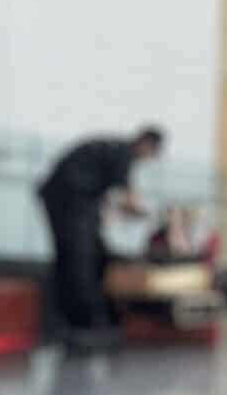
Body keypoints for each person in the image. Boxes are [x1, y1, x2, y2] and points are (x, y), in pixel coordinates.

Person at [37, 125, 164, 346]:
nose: (148, 159)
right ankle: (81, 323)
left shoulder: (111, 151)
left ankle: (70, 320)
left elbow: (105, 196)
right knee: (79, 258)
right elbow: (128, 199)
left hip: (69, 199)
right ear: (146, 144)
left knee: (81, 254)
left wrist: (107, 215)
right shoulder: (123, 154)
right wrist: (148, 214)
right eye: (152, 153)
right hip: (68, 200)